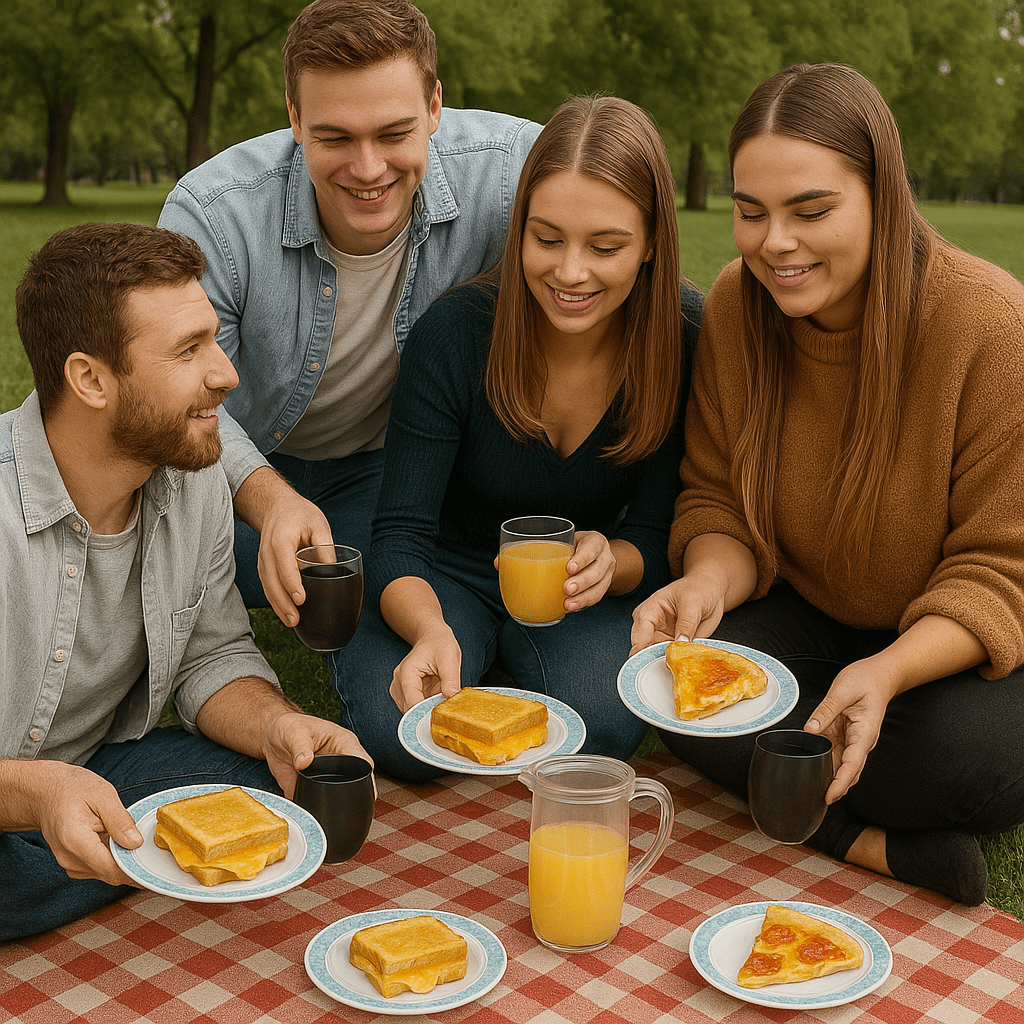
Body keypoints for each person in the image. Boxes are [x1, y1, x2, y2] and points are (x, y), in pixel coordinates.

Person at [631, 63, 1024, 905]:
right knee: (661, 690)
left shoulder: (991, 328)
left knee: (967, 761)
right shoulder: (736, 308)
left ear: (883, 197)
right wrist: (706, 582)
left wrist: (888, 673)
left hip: (951, 651)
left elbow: (1001, 571)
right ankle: (862, 840)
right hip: (813, 617)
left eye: (811, 212)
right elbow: (718, 501)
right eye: (751, 212)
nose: (776, 242)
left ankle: (821, 801)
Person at [0, 223, 372, 942]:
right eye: (188, 350)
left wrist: (277, 725)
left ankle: (89, 865)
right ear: (90, 379)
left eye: (214, 340)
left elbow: (212, 655)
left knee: (271, 784)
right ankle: (100, 865)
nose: (226, 373)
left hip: (99, 771)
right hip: (28, 788)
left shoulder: (192, 479)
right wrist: (36, 793)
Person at [334, 95, 704, 781]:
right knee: (400, 727)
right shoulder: (455, 335)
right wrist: (429, 629)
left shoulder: (684, 336)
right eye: (547, 239)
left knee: (605, 722)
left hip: (577, 591)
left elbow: (655, 537)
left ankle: (514, 663)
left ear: (652, 242)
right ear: (520, 230)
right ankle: (476, 648)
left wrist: (612, 562)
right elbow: (402, 537)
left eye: (606, 247)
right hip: (450, 572)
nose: (570, 272)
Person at [157, 0, 541, 637]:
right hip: (233, 472)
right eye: (335, 138)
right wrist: (269, 499)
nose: (368, 169)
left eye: (393, 134)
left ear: (435, 106)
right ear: (294, 117)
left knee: (380, 605)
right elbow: (181, 393)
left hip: (386, 471)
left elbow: (625, 229)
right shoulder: (215, 214)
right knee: (154, 563)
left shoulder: (511, 171)